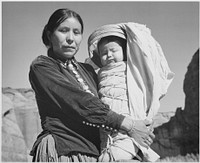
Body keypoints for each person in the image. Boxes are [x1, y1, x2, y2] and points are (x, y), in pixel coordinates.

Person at [28, 8, 155, 162]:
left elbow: (114, 98)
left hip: (97, 154)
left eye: (76, 32)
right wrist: (129, 125)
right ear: (49, 34)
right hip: (65, 151)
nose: (70, 38)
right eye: (63, 30)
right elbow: (79, 102)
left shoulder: (88, 71)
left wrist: (142, 124)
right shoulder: (43, 67)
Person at [88, 23, 174, 162]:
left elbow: (144, 51)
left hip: (129, 129)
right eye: (104, 53)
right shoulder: (98, 75)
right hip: (109, 128)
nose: (109, 55)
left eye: (113, 50)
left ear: (124, 51)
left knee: (108, 159)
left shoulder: (132, 70)